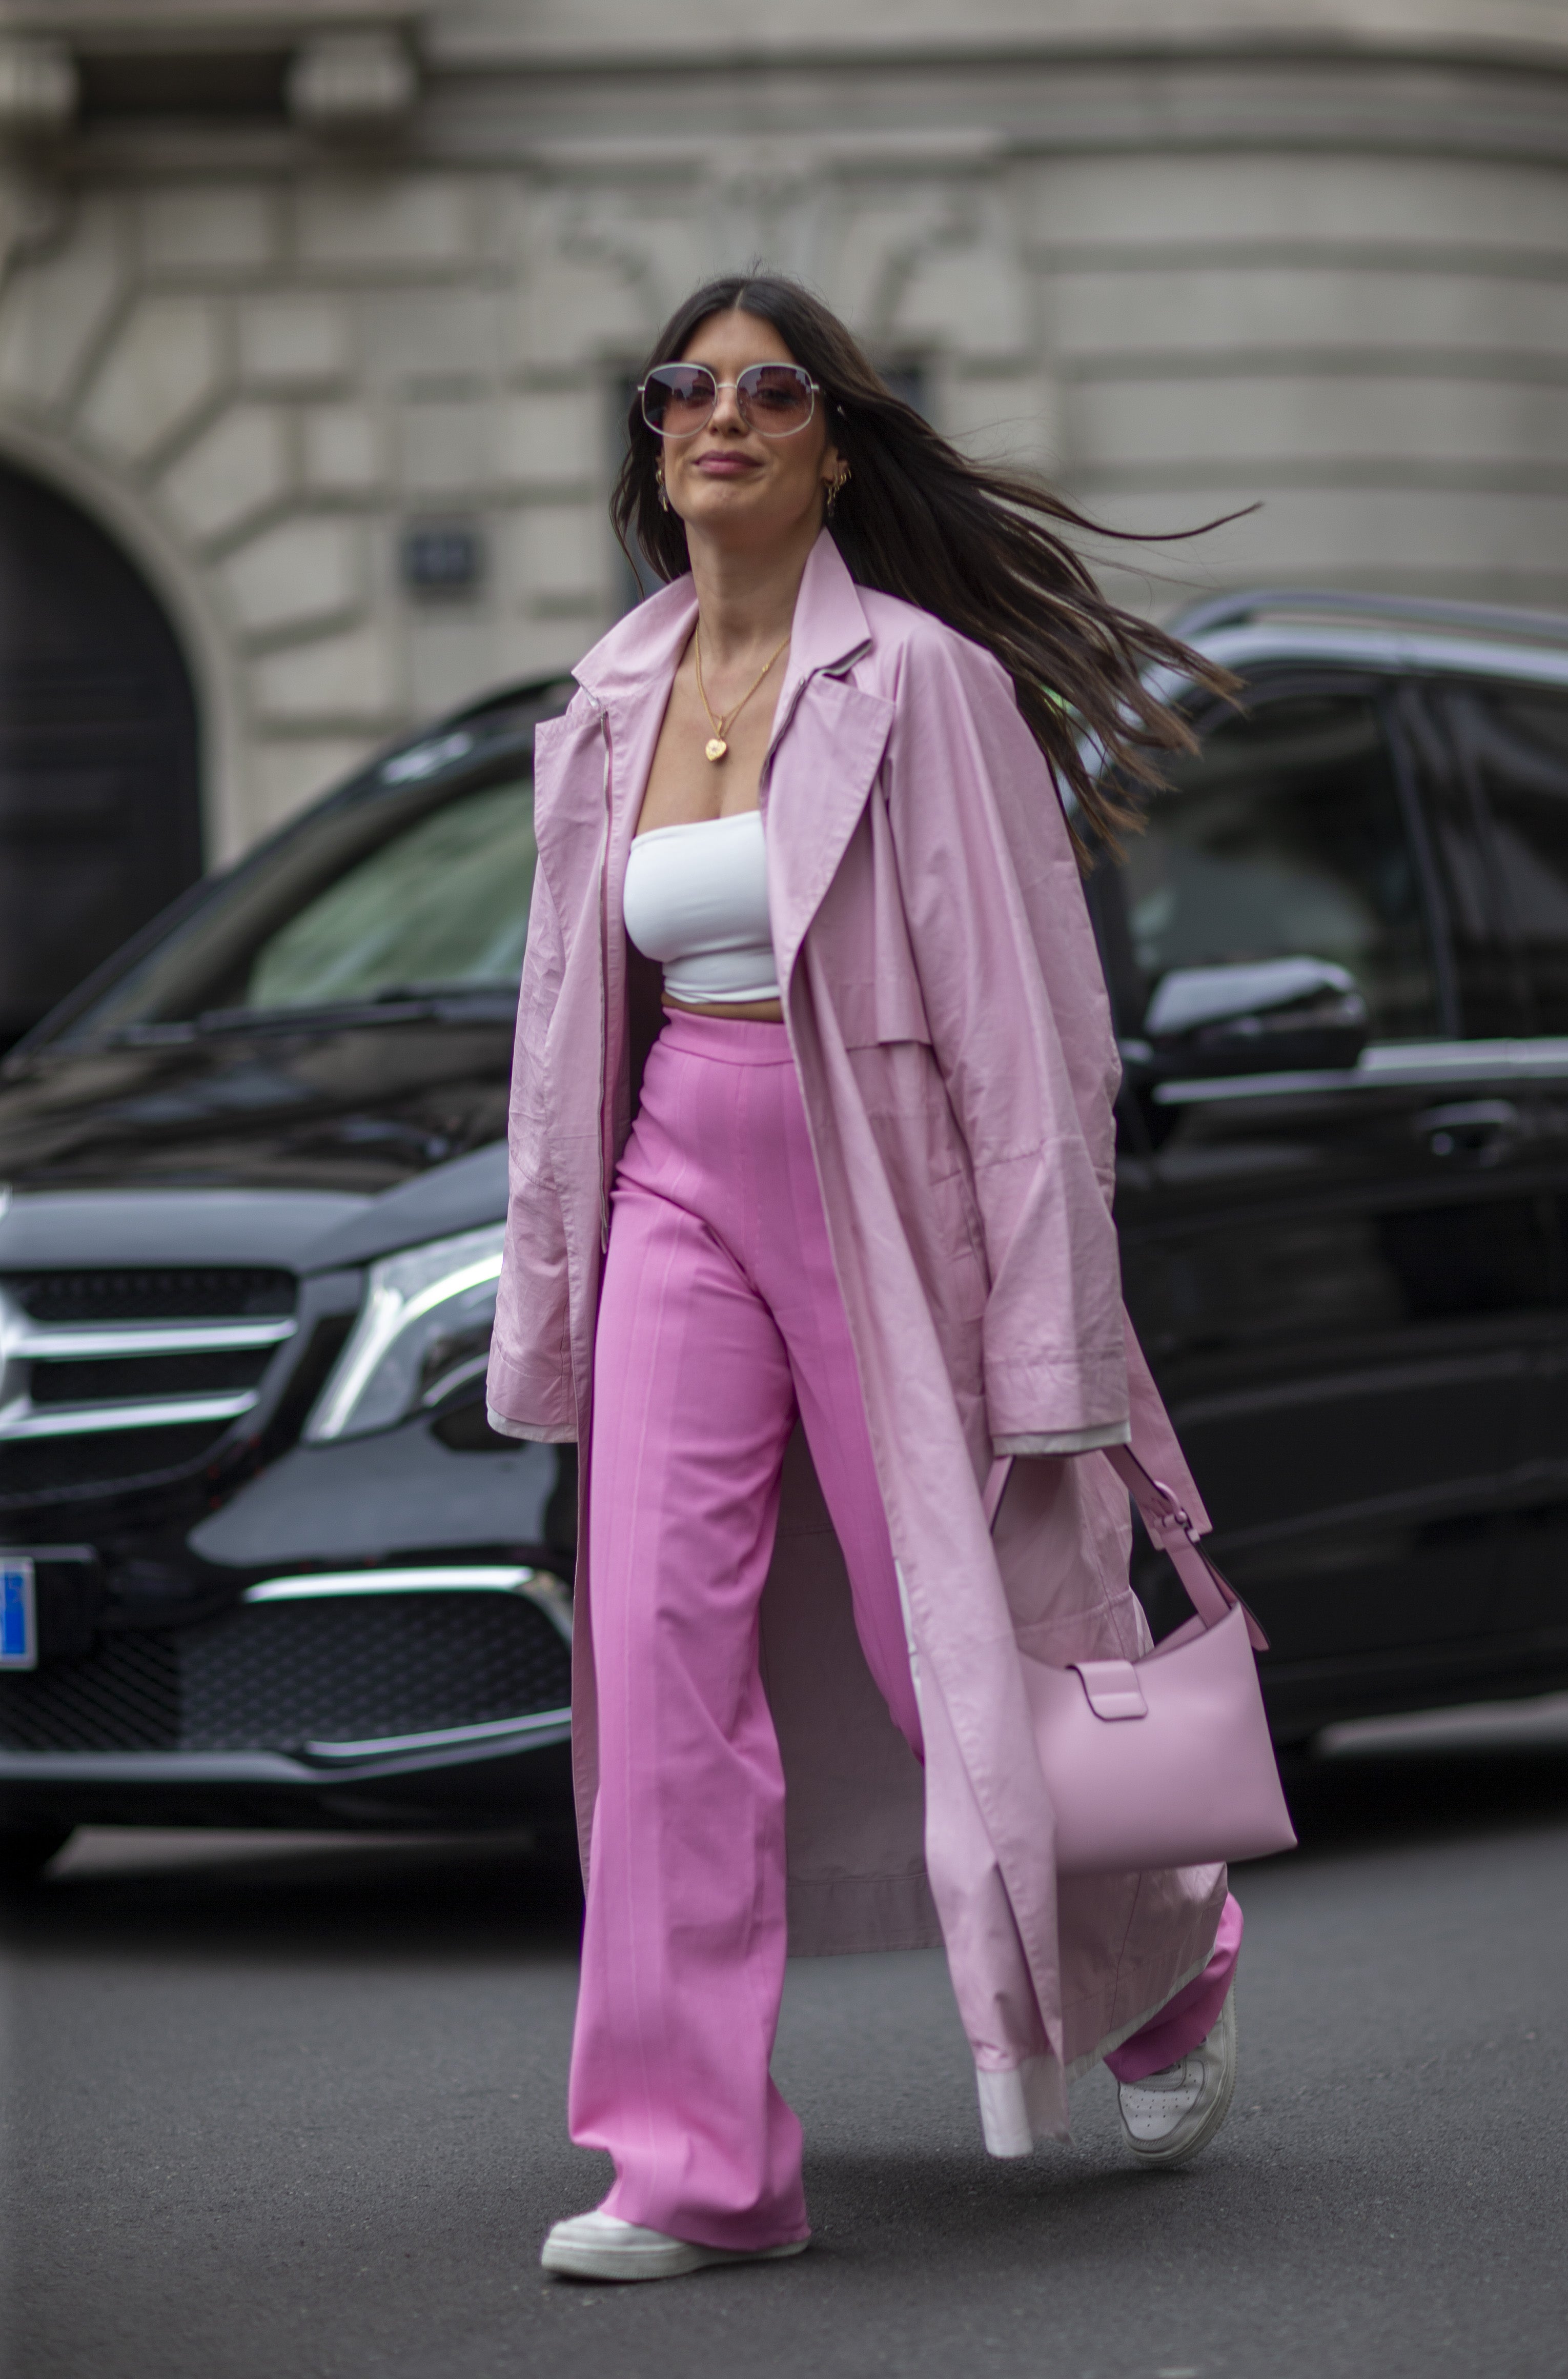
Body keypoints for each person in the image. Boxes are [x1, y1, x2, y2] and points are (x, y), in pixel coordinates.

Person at [486, 271, 1246, 2284]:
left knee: (962, 1665)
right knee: (648, 1665)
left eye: (769, 390)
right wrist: (544, 1291)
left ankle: (1166, 1967)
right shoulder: (608, 702)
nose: (720, 416)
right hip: (682, 1185)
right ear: (651, 445)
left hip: (886, 1202)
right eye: (684, 390)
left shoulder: (919, 683)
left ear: (833, 439)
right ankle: (695, 2167)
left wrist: (1048, 1332)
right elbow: (564, 1025)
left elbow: (1033, 1031)